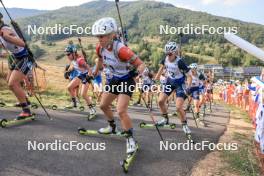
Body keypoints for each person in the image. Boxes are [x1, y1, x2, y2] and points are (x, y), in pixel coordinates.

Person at [92, 17, 145, 154]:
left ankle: (131, 139)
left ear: (111, 35)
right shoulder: (100, 48)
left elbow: (141, 65)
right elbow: (99, 59)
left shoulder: (121, 49)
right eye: (98, 36)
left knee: (121, 110)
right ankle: (112, 126)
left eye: (102, 36)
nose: (99, 39)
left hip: (127, 80)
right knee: (103, 105)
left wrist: (138, 71)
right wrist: (94, 72)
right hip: (114, 80)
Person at [0, 12, 36, 119]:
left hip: (25, 57)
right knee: (8, 81)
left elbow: (22, 43)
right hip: (17, 57)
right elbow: (4, 45)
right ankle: (26, 101)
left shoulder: (5, 30)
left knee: (13, 83)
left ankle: (26, 111)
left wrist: (6, 37)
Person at [154, 41, 192, 135]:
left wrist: (188, 87)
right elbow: (161, 68)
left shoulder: (180, 62)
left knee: (178, 107)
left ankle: (184, 124)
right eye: (167, 53)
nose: (168, 55)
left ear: (175, 53)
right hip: (170, 82)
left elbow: (189, 76)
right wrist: (155, 79)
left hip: (180, 84)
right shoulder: (166, 59)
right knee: (160, 101)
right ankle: (165, 119)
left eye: (170, 54)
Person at [65, 44, 96, 116]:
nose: (67, 56)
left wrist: (88, 76)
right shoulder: (73, 60)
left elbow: (89, 69)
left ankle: (92, 109)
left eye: (68, 54)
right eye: (66, 54)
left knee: (83, 94)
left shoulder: (80, 60)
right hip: (80, 75)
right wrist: (68, 72)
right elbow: (73, 66)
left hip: (86, 76)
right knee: (69, 87)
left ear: (73, 53)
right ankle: (74, 103)